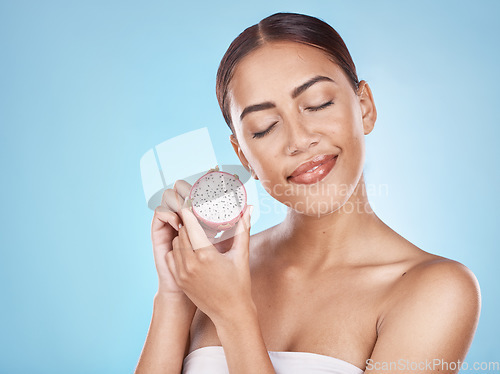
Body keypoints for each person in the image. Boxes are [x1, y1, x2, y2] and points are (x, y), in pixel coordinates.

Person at [134, 12, 481, 374]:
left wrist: (234, 316)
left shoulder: (437, 291)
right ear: (243, 156)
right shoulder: (209, 272)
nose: (299, 140)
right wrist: (174, 296)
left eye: (317, 104)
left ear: (365, 107)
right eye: (265, 128)